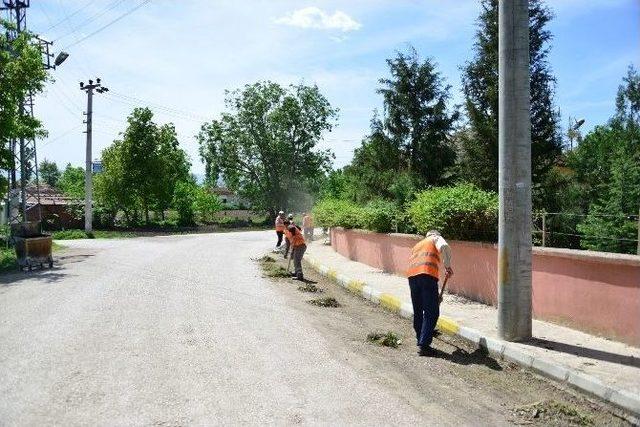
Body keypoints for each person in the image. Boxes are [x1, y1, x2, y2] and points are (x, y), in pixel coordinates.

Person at [407, 230, 453, 357]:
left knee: (418, 310)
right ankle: (424, 345)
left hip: (412, 277)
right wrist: (448, 266)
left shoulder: (418, 244)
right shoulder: (435, 238)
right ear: (435, 234)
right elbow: (444, 246)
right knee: (431, 311)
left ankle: (420, 337)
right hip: (427, 275)